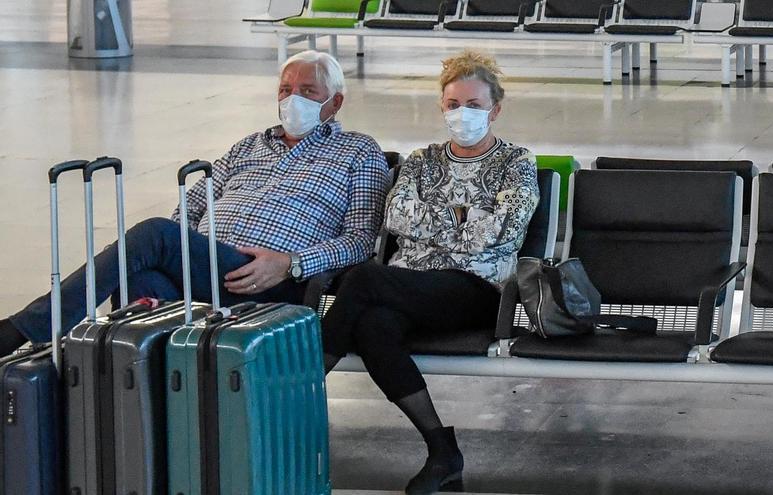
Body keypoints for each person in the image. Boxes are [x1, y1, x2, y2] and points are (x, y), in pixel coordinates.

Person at [0, 50, 390, 356]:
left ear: (335, 102)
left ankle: (22, 329)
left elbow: (360, 240)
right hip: (205, 266)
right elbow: (191, 207)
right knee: (140, 282)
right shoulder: (249, 146)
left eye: (308, 92)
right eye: (286, 90)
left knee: (156, 234)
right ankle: (153, 410)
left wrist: (289, 264)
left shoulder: (358, 152)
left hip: (266, 278)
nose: (293, 100)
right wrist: (186, 250)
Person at [321, 50, 539, 495]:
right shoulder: (422, 160)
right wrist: (464, 216)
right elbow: (397, 216)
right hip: (411, 285)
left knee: (363, 279)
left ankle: (294, 393)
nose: (463, 114)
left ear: (494, 110)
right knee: (373, 325)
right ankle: (442, 450)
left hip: (476, 289)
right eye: (454, 104)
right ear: (442, 106)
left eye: (474, 105)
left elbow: (505, 228)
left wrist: (436, 221)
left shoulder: (516, 162)